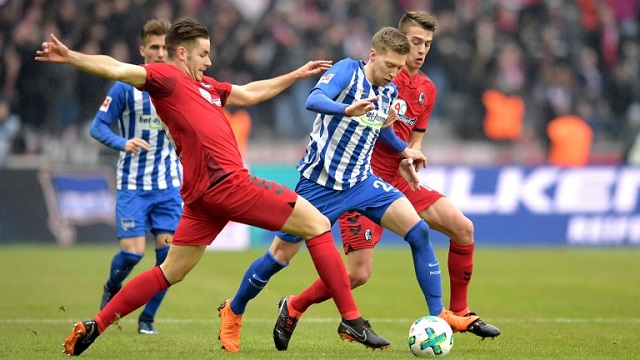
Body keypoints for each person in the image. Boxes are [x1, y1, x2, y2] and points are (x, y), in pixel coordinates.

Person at [36, 17, 381, 356]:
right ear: (182, 53)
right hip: (228, 183)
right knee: (318, 224)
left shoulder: (207, 86)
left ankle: (95, 324)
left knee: (170, 271)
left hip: (201, 197)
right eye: (203, 54)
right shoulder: (166, 77)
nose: (209, 61)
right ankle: (351, 318)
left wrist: (295, 75)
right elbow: (117, 68)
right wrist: (72, 57)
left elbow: (248, 93)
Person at [271, 12, 501, 352]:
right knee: (359, 274)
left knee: (462, 227)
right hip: (362, 180)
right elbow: (362, 129)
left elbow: (415, 139)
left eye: (427, 44)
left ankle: (457, 311)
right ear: (397, 40)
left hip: (400, 181)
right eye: (415, 42)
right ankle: (294, 306)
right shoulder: (378, 82)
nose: (421, 51)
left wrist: (410, 157)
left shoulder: (427, 88)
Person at [219, 26, 445, 352]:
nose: (394, 74)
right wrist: (345, 109)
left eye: (399, 68)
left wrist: (403, 150)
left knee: (418, 231)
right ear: (372, 56)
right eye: (389, 67)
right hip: (319, 186)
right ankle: (234, 309)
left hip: (362, 182)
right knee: (279, 257)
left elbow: (378, 129)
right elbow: (314, 99)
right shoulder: (347, 71)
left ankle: (436, 319)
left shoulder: (388, 91)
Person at [88, 19, 179, 336]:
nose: (159, 53)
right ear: (142, 50)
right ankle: (112, 285)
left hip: (169, 187)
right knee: (132, 253)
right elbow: (97, 127)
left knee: (169, 261)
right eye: (153, 47)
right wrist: (122, 143)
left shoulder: (179, 84)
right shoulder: (126, 87)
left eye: (164, 47)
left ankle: (147, 319)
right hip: (133, 186)